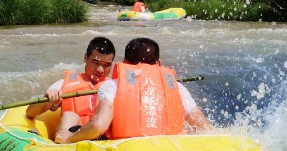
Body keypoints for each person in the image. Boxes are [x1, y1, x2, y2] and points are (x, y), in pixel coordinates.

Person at [61, 37, 213, 143]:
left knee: (72, 124)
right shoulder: (177, 87)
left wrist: (70, 138)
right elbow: (205, 128)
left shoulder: (112, 86)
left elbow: (98, 125)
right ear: (159, 63)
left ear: (125, 63)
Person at [26, 36, 115, 143]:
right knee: (70, 115)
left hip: (105, 141)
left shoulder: (114, 86)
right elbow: (30, 113)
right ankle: (61, 146)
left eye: (106, 65)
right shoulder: (63, 84)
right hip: (72, 141)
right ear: (86, 58)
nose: (100, 70)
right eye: (96, 63)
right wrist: (49, 98)